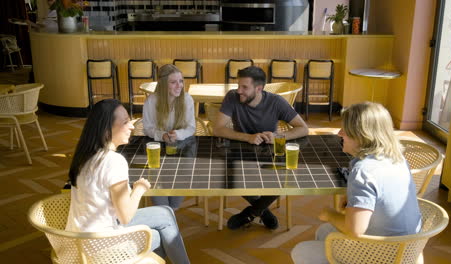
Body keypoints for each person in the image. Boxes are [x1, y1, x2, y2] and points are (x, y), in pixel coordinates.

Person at [291, 102, 422, 264]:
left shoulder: (364, 171)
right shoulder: (397, 158)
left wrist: (329, 214)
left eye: (345, 130)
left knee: (301, 252)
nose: (339, 133)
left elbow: (355, 230)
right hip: (409, 248)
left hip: (385, 254)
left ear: (361, 135)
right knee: (324, 232)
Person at [66, 99, 190, 264]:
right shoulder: (113, 161)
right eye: (125, 122)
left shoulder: (85, 156)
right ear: (107, 130)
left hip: (76, 242)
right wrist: (139, 188)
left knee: (166, 212)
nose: (132, 126)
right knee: (161, 235)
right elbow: (125, 217)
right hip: (101, 250)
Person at [213, 66, 309, 230]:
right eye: (238, 86)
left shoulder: (276, 101)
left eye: (244, 87)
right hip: (240, 152)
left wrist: (278, 137)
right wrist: (247, 137)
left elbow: (303, 128)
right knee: (229, 176)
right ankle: (262, 211)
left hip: (269, 153)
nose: (239, 91)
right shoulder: (232, 97)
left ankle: (250, 213)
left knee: (285, 178)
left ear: (259, 88)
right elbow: (218, 128)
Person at [143, 64, 195, 210]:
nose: (179, 86)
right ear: (163, 84)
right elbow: (147, 128)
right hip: (156, 145)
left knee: (183, 172)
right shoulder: (151, 101)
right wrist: (162, 135)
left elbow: (191, 128)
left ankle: (169, 212)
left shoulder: (187, 99)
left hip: (182, 144)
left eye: (181, 81)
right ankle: (167, 212)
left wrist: (177, 134)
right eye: (173, 82)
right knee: (154, 174)